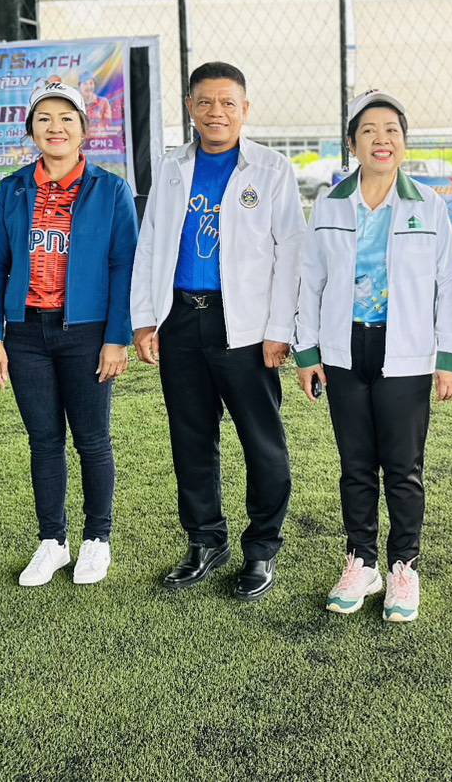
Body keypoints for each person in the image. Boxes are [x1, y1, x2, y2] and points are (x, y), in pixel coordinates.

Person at [131, 62, 306, 602]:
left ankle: (262, 548)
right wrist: (146, 317)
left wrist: (280, 329)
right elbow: (151, 242)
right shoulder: (172, 167)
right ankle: (205, 541)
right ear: (190, 107)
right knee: (190, 438)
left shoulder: (271, 169)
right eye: (205, 102)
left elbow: (291, 252)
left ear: (245, 109)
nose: (216, 113)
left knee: (261, 440)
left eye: (228, 103)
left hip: (245, 326)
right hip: (182, 319)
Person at [293, 90, 452, 623]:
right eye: (368, 131)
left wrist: (449, 355)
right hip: (345, 350)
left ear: (404, 142)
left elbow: (449, 282)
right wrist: (307, 351)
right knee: (355, 466)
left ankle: (403, 567)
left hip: (406, 354)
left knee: (403, 468)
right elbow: (311, 279)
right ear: (352, 143)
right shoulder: (330, 204)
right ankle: (362, 562)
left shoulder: (428, 205)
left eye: (391, 130)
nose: (381, 140)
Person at [0, 80, 139, 587]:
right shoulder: (12, 189)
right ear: (31, 129)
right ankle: (53, 541)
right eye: (44, 118)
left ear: (84, 129)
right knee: (44, 440)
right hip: (26, 334)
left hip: (87, 334)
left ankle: (97, 540)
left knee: (92, 439)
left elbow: (124, 266)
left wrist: (117, 337)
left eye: (67, 118)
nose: (56, 127)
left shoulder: (110, 190)